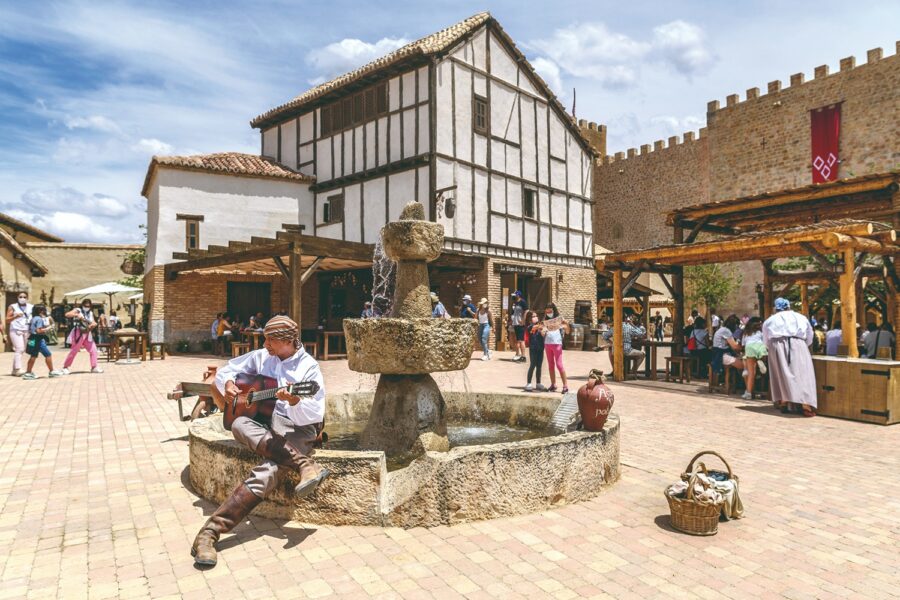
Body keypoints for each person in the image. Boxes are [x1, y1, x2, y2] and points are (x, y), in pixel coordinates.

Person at [192, 316, 329, 568]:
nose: (265, 343)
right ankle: (304, 464)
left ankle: (209, 533)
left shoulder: (308, 369)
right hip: (268, 423)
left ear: (288, 341)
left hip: (298, 426)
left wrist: (294, 400)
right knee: (239, 423)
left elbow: (314, 414)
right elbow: (228, 370)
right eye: (265, 338)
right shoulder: (263, 356)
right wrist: (230, 383)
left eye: (270, 339)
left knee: (268, 471)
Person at [763, 297, 816, 417]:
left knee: (780, 373)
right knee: (803, 374)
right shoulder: (801, 317)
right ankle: (806, 405)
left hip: (776, 344)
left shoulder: (770, 320)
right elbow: (809, 335)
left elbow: (766, 339)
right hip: (799, 343)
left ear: (776, 308)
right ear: (789, 306)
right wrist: (803, 345)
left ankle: (783, 401)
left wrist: (772, 348)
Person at [22, 305, 62, 380]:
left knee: (33, 355)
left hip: (32, 338)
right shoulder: (39, 319)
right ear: (41, 311)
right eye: (43, 310)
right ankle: (51, 371)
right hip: (38, 339)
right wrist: (48, 328)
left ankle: (28, 372)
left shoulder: (33, 318)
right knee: (48, 354)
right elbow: (38, 330)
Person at [63, 299, 103, 374]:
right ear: (82, 305)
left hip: (87, 333)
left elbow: (93, 321)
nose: (87, 307)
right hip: (78, 332)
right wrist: (76, 315)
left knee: (93, 350)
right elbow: (67, 314)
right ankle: (66, 367)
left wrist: (94, 324)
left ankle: (94, 367)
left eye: (88, 305)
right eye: (85, 305)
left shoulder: (90, 313)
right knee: (74, 350)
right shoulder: (78, 310)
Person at [541, 303, 570, 393]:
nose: (549, 312)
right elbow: (542, 333)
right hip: (547, 344)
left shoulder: (559, 319)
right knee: (550, 365)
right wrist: (542, 331)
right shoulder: (544, 320)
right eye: (547, 310)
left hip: (557, 343)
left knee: (559, 365)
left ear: (554, 310)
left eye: (550, 310)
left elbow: (568, 332)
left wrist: (566, 325)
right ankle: (553, 384)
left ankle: (565, 386)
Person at [710, 314, 745, 383]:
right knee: (743, 365)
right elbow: (735, 347)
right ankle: (742, 384)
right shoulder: (726, 331)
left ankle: (736, 383)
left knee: (740, 362)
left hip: (717, 354)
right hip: (720, 355)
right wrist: (743, 346)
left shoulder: (722, 329)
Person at [740, 317, 768, 400]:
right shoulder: (760, 332)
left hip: (750, 347)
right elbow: (765, 343)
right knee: (761, 355)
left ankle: (748, 392)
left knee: (751, 372)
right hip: (760, 347)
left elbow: (743, 345)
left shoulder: (746, 333)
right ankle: (760, 361)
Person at [6, 291, 32, 376]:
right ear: (17, 298)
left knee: (22, 350)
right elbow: (7, 320)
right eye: (20, 297)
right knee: (19, 348)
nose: (22, 298)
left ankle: (14, 370)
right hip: (15, 330)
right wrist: (15, 316)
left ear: (27, 298)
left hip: (26, 330)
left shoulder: (31, 307)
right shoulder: (13, 307)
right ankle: (18, 369)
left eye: (24, 297)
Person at [524, 311, 545, 391]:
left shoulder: (540, 326)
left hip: (540, 348)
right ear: (530, 319)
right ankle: (529, 383)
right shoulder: (529, 326)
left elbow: (543, 333)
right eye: (533, 316)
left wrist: (543, 330)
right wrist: (540, 326)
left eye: (536, 316)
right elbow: (533, 329)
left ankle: (538, 383)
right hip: (533, 348)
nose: (535, 317)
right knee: (532, 365)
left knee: (539, 366)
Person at [510, 291, 527, 362]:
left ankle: (523, 356)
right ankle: (518, 355)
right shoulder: (515, 302)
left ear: (518, 295)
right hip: (515, 323)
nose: (514, 296)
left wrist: (523, 320)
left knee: (521, 340)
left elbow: (526, 311)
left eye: (515, 295)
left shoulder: (522, 302)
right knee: (517, 340)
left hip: (520, 324)